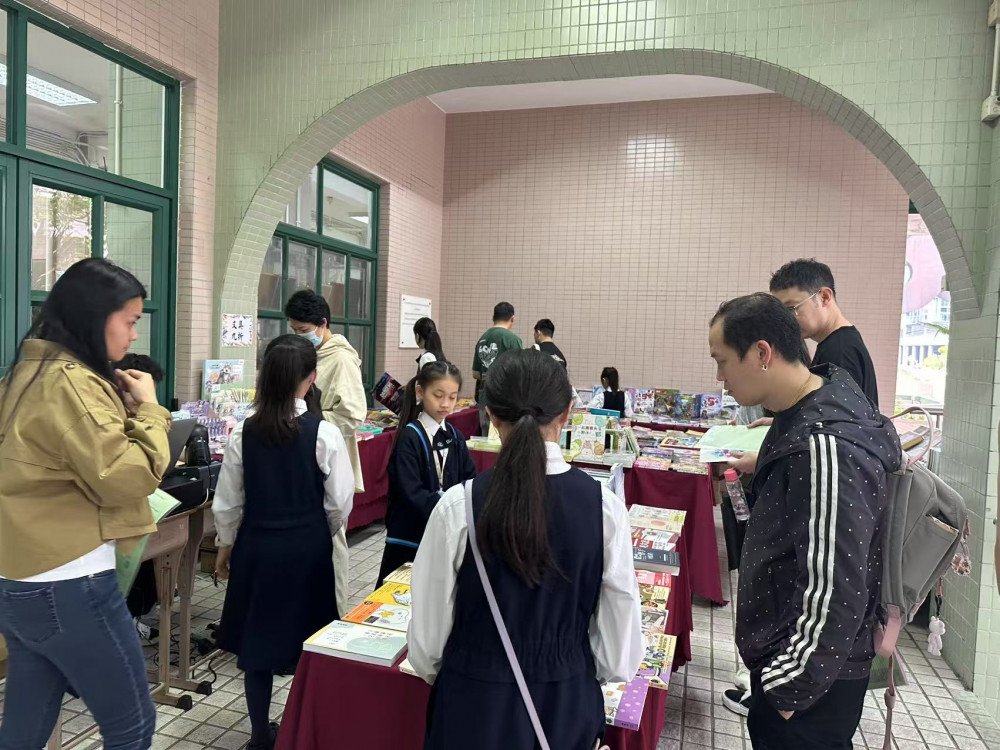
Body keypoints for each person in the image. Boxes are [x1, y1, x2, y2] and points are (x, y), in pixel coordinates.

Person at [408, 349, 644, 749]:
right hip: (565, 702)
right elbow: (619, 653)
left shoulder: (457, 505)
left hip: (472, 701)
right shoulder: (604, 508)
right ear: (567, 413)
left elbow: (427, 648)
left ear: (490, 415)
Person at [708, 293, 901, 749]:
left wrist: (786, 689)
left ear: (762, 353)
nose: (719, 378)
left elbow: (838, 587)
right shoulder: (809, 410)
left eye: (722, 361)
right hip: (801, 668)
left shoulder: (825, 444)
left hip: (809, 687)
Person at [0, 258, 170, 749]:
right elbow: (128, 477)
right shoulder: (71, 383)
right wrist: (152, 410)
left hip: (21, 576)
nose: (134, 335)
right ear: (96, 316)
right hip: (70, 581)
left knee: (28, 722)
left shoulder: (25, 374)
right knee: (132, 723)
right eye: (130, 321)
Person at [213, 334, 354, 750]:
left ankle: (260, 735)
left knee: (257, 646)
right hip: (307, 548)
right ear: (311, 378)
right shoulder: (323, 433)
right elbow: (340, 502)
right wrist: (320, 531)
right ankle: (299, 731)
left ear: (265, 376)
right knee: (309, 640)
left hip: (257, 546)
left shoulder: (243, 432)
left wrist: (225, 545)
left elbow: (229, 501)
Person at [285, 289, 366, 616]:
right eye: (293, 330)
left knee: (331, 545)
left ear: (322, 324)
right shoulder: (305, 353)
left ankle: (334, 618)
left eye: (304, 331)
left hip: (326, 457)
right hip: (300, 453)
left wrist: (308, 422)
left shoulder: (341, 359)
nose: (299, 336)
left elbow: (353, 415)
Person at [376, 361, 476, 586]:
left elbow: (469, 479)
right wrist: (449, 507)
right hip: (410, 536)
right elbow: (410, 492)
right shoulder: (410, 436)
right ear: (420, 392)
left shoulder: (455, 436)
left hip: (445, 534)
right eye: (438, 395)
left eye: (452, 397)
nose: (445, 403)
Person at [770, 258, 879, 408]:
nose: (787, 320)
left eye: (791, 309)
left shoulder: (840, 351)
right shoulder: (841, 342)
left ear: (824, 297)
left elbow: (839, 419)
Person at [472, 302, 522, 435]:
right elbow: (518, 372)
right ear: (512, 319)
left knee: (486, 436)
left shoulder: (482, 339)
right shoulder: (513, 339)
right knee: (506, 435)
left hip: (485, 395)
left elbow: (475, 373)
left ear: (493, 317)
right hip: (505, 395)